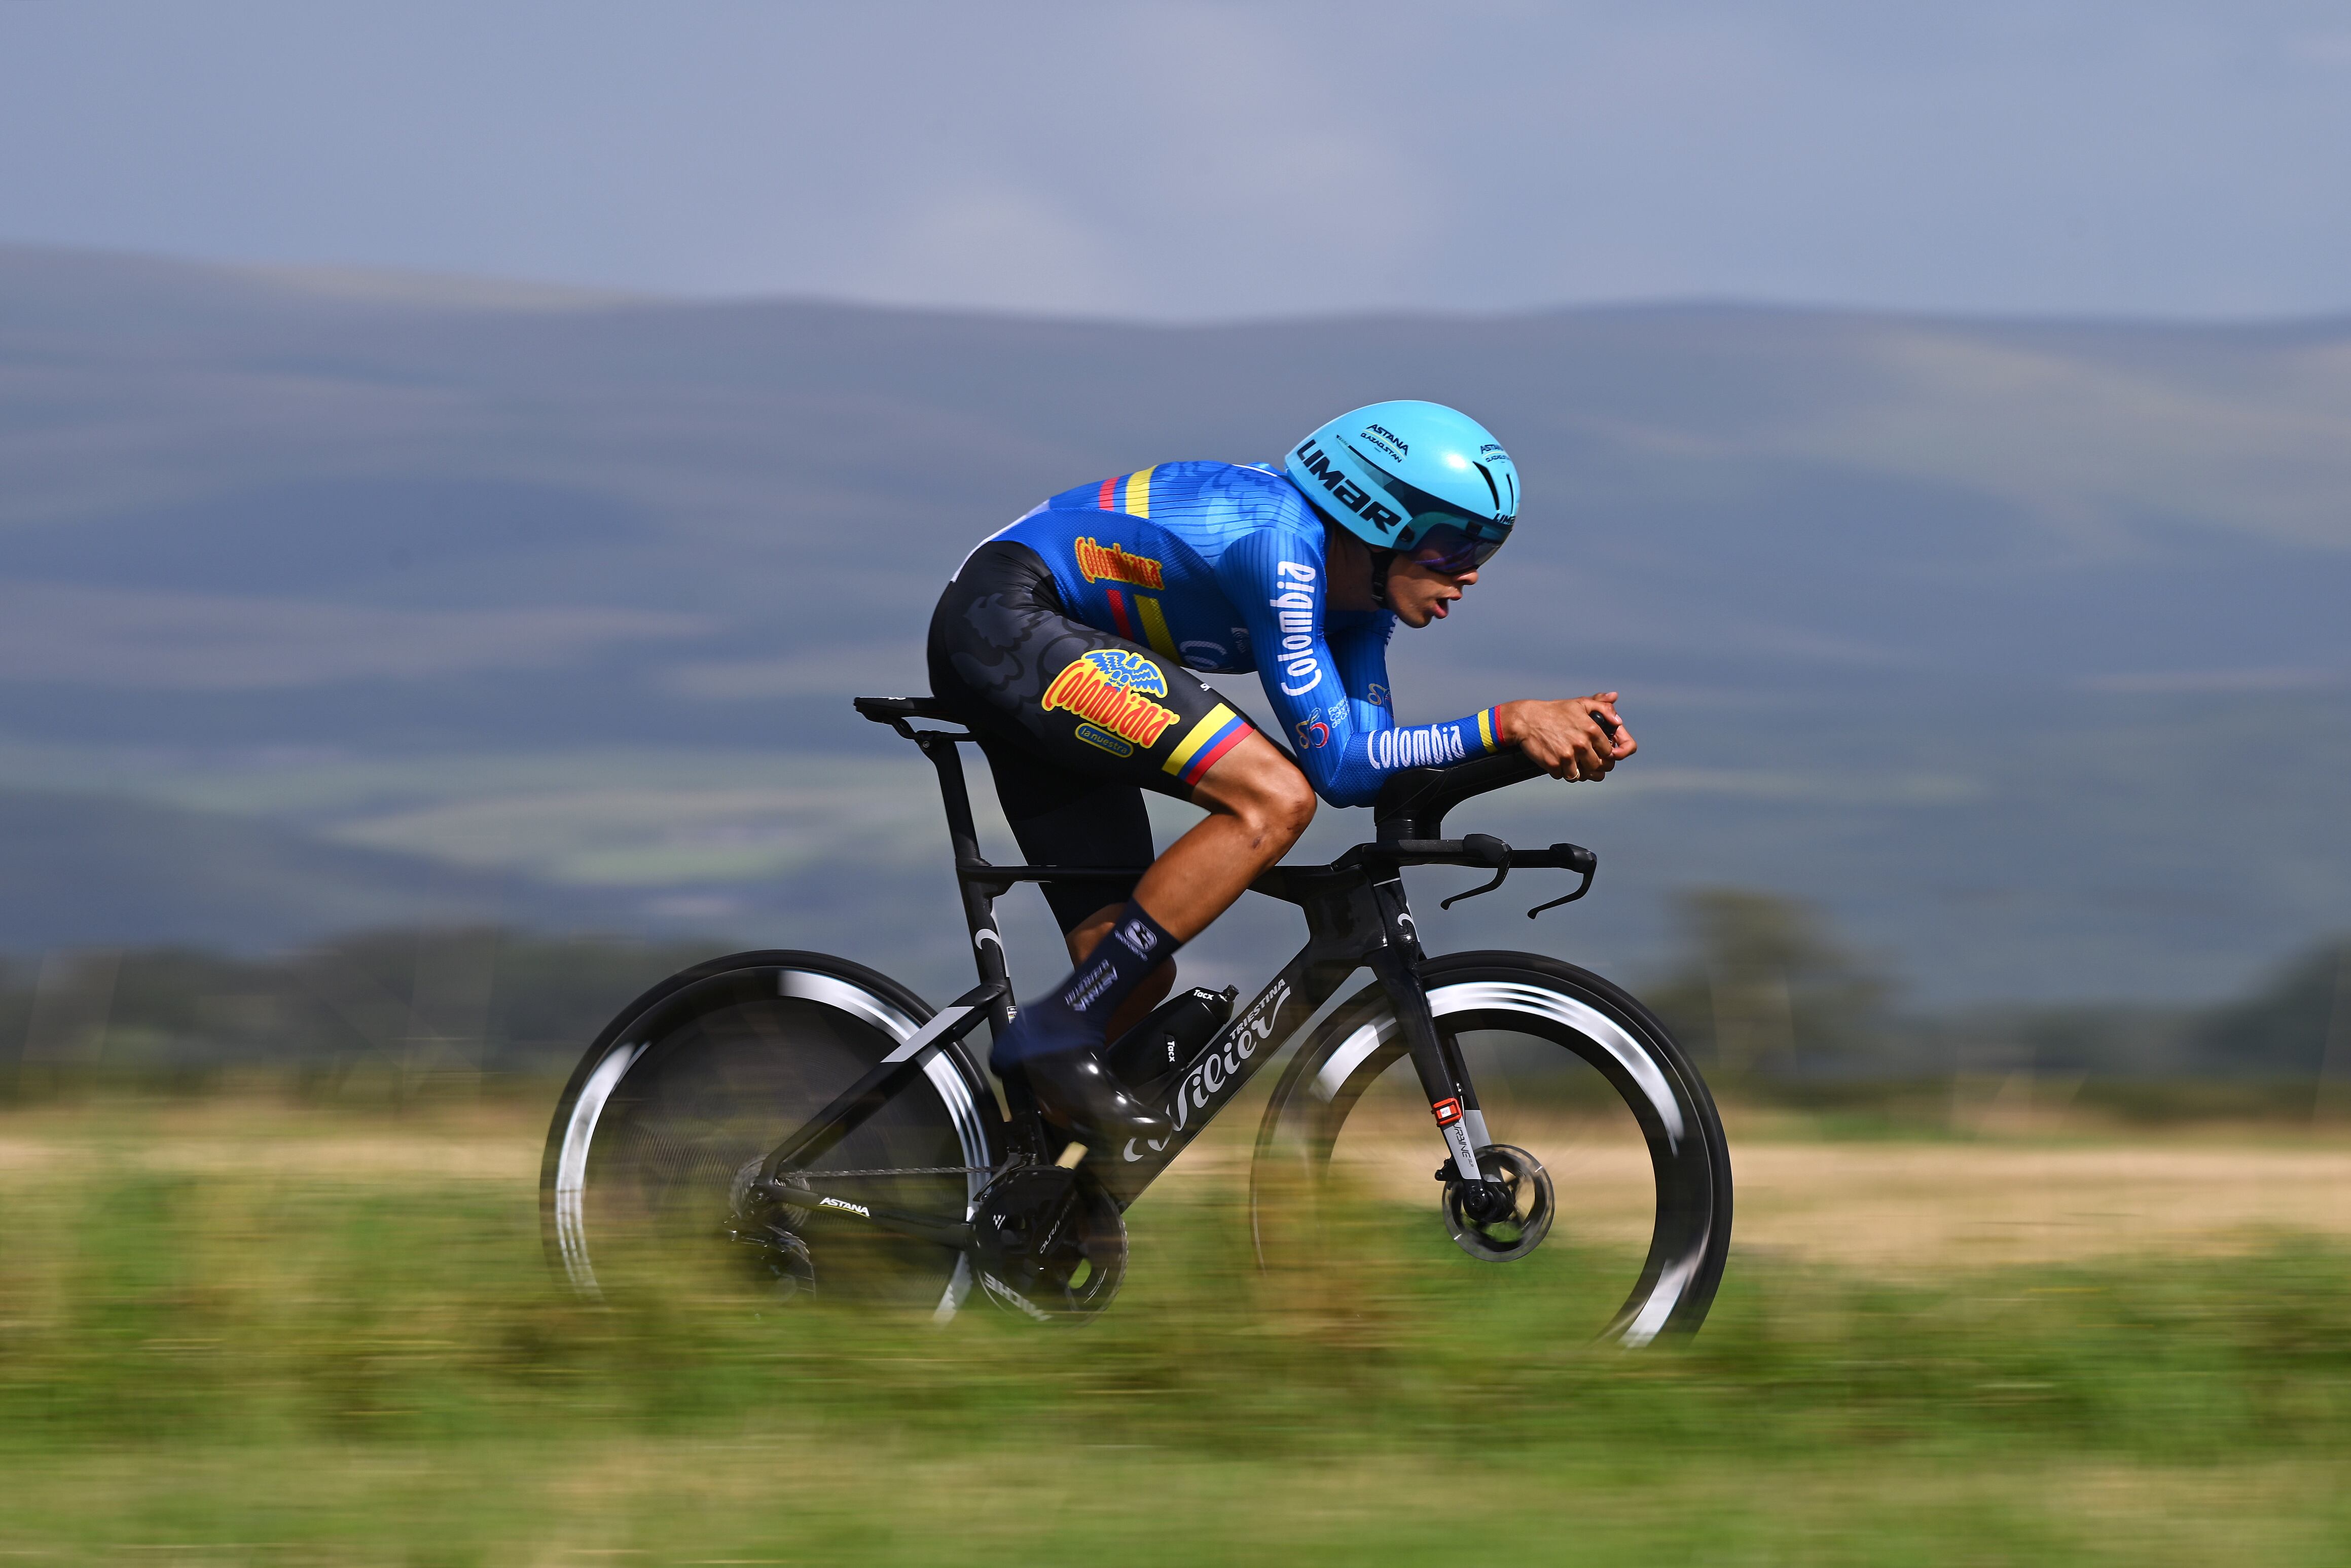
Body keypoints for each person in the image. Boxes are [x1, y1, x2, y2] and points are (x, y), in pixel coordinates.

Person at [927, 399, 1635, 1150]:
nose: (1466, 574)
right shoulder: (1279, 548)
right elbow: (1330, 769)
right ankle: (1054, 1031)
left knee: (1131, 979)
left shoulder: (1359, 604)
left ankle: (1019, 1187)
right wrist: (1510, 721)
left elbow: (1368, 763)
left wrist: (1523, 751)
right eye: (1450, 548)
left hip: (1065, 651)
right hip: (1003, 618)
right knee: (1271, 796)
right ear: (1377, 516)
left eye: (1482, 553)